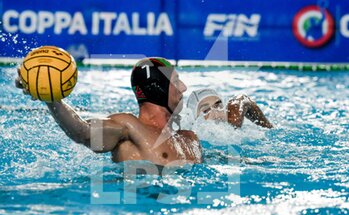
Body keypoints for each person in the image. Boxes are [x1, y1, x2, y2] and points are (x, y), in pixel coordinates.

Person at [16, 57, 202, 166]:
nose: (184, 88)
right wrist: (51, 98)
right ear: (158, 88)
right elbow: (83, 132)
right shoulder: (128, 127)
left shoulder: (189, 139)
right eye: (176, 81)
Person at [187, 88, 273, 128]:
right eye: (206, 110)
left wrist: (268, 127)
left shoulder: (235, 121)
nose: (216, 112)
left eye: (218, 105)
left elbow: (243, 99)